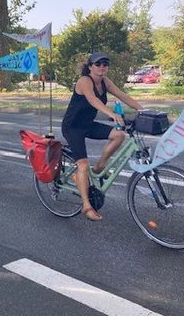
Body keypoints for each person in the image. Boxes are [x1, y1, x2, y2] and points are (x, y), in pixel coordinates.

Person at [62, 52, 144, 221]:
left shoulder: (105, 82)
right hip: (73, 127)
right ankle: (86, 206)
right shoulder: (84, 81)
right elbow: (93, 100)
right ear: (90, 66)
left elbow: (122, 95)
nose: (102, 67)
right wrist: (112, 114)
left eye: (105, 64)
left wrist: (143, 110)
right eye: (98, 64)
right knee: (83, 165)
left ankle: (99, 168)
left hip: (88, 125)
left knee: (119, 135)